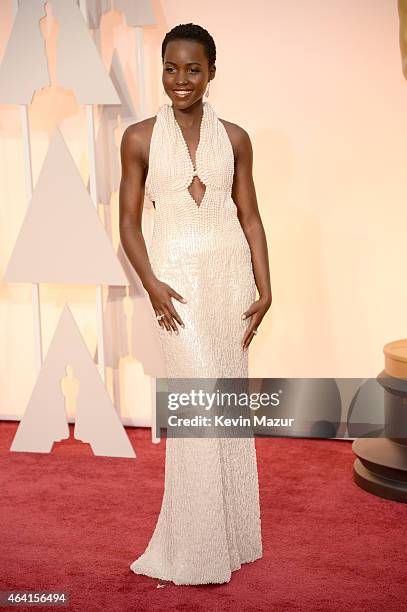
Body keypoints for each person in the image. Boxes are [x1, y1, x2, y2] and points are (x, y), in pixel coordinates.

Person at [119, 23, 272, 586]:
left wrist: (266, 285)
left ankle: (228, 538)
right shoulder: (137, 137)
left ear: (212, 71)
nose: (180, 79)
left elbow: (250, 216)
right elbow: (129, 224)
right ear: (161, 69)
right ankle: (195, 546)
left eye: (192, 69)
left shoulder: (235, 137)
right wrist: (151, 284)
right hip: (175, 286)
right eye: (170, 68)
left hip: (228, 281)